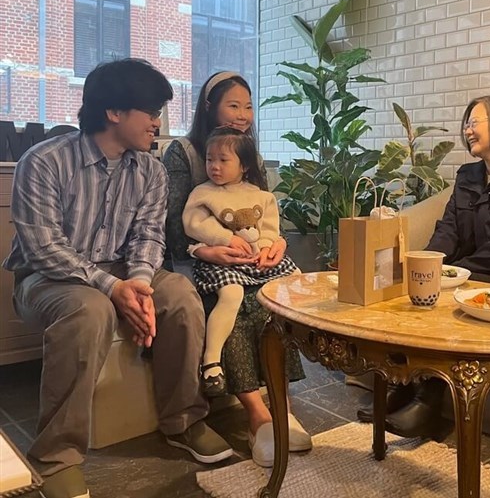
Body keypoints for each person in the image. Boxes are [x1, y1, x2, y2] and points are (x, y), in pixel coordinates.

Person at [2, 59, 233, 498]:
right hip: (47, 278)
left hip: (124, 271)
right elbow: (45, 249)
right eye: (151, 111)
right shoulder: (45, 162)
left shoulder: (150, 170)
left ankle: (183, 420)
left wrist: (141, 285)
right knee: (88, 309)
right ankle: (56, 457)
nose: (157, 122)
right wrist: (112, 288)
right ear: (114, 112)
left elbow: (148, 236)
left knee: (180, 292)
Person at [363, 94, 490, 439]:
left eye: (475, 122)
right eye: (467, 123)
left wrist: (459, 272)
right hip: (479, 272)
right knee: (422, 289)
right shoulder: (468, 175)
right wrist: (429, 265)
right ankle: (401, 385)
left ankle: (428, 403)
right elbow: (448, 228)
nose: (467, 129)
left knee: (449, 298)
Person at [162, 71, 311, 468]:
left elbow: (263, 216)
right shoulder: (184, 152)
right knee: (238, 303)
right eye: (233, 105)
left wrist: (276, 244)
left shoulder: (250, 155)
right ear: (209, 107)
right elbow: (175, 226)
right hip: (197, 260)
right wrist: (210, 251)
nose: (243, 114)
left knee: (274, 305)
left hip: (248, 259)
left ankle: (281, 407)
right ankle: (258, 418)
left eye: (248, 106)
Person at [183, 127, 298, 396]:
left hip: (256, 260)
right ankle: (211, 361)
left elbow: (270, 228)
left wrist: (267, 249)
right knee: (232, 294)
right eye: (210, 159)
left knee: (295, 279)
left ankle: (305, 339)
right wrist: (225, 238)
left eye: (223, 160)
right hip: (221, 262)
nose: (214, 166)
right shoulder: (203, 193)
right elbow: (193, 224)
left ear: (244, 165)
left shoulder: (260, 195)